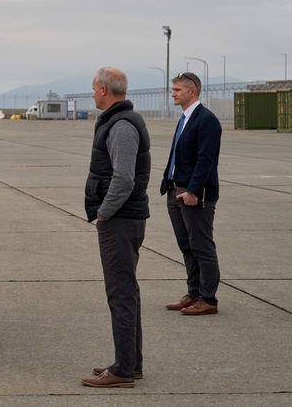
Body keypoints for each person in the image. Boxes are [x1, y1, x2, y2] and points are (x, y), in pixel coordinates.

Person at [80, 68, 151, 388]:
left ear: (105, 89)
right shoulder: (119, 121)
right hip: (124, 219)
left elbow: (123, 178)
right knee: (126, 292)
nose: (93, 93)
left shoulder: (121, 126)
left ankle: (123, 372)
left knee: (120, 294)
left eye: (94, 88)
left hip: (120, 221)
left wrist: (105, 213)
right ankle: (129, 363)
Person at [161, 71, 222, 315]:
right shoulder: (185, 118)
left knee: (202, 246)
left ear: (192, 91)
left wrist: (194, 191)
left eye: (177, 90)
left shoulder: (206, 120)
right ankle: (194, 293)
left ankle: (208, 299)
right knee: (186, 246)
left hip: (194, 193)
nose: (173, 93)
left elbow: (205, 160)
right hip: (175, 190)